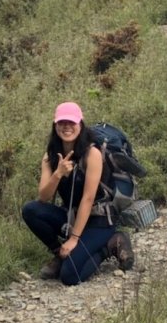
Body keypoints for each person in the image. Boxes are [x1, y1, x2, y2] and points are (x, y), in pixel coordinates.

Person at [22, 102, 134, 284]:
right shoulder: (50, 156)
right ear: (55, 125)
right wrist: (57, 174)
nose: (66, 127)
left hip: (99, 220)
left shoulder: (92, 154)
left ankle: (110, 245)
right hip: (72, 215)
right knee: (31, 210)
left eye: (71, 122)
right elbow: (43, 197)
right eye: (62, 122)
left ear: (80, 125)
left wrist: (74, 239)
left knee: (69, 276)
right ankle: (59, 254)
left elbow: (88, 198)